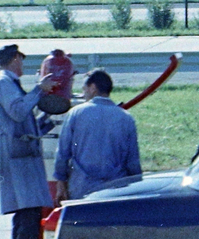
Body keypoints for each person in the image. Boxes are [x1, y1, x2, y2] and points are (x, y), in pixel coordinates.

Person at [0, 44, 60, 239]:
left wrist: (45, 122)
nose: (23, 65)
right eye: (21, 59)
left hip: (21, 156)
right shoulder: (3, 84)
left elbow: (22, 120)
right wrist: (39, 90)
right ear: (14, 59)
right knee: (28, 216)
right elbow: (18, 112)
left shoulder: (9, 84)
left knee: (24, 216)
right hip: (18, 158)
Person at [53, 68, 142, 201]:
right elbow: (133, 161)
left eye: (84, 89)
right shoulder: (126, 118)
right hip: (116, 191)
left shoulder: (76, 113)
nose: (83, 94)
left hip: (81, 189)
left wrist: (60, 182)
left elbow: (63, 152)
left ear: (93, 88)